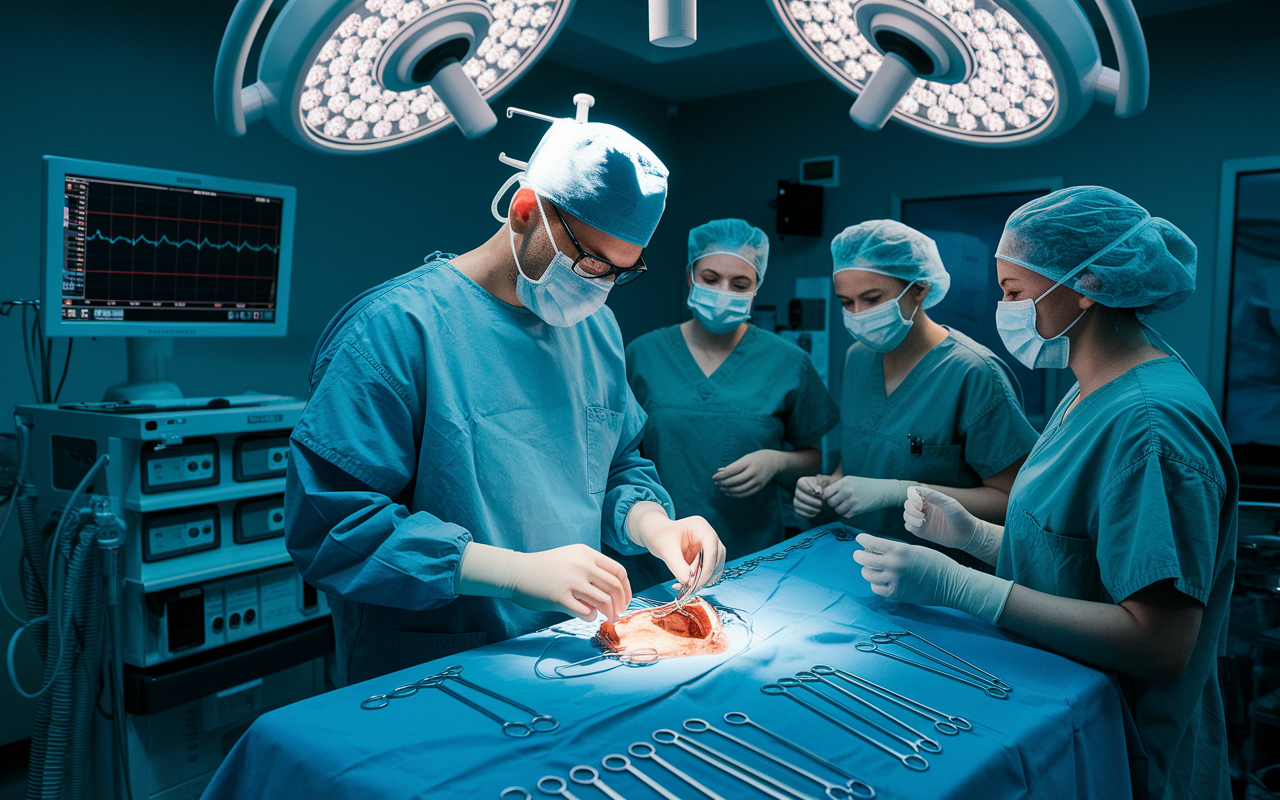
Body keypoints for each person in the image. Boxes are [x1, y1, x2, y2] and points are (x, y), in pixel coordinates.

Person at [284, 115, 726, 685]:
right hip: (436, 666)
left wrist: (651, 525)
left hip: (577, 649)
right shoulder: (393, 331)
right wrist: (511, 572)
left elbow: (617, 462)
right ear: (525, 212)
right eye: (590, 261)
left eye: (621, 272)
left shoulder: (596, 331)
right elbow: (333, 525)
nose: (598, 286)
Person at [853, 187, 1236, 800]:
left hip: (1125, 745)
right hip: (1059, 710)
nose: (1004, 309)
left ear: (1084, 284)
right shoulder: (1088, 389)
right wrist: (975, 537)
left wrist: (963, 586)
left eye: (1012, 292)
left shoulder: (1152, 426)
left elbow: (1160, 644)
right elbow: (1085, 560)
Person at [614, 219, 839, 588]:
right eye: (710, 277)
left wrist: (776, 461)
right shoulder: (643, 354)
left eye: (740, 284)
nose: (723, 291)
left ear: (756, 289)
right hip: (653, 561)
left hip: (751, 558)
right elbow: (617, 458)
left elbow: (815, 463)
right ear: (690, 278)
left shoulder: (788, 362)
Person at [794, 220, 1039, 556]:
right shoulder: (856, 360)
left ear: (920, 288)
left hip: (939, 580)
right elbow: (861, 460)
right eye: (846, 302)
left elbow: (1011, 502)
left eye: (871, 298)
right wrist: (827, 485)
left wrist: (901, 491)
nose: (857, 314)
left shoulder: (974, 373)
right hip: (855, 561)